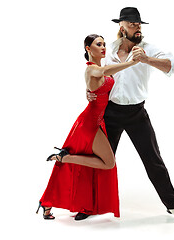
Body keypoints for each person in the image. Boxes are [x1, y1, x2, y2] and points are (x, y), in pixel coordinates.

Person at [87, 7, 174, 223]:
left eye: (139, 23)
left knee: (153, 160)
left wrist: (147, 59)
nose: (137, 27)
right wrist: (90, 91)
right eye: (132, 23)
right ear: (121, 27)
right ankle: (89, 205)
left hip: (136, 113)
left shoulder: (148, 49)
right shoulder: (109, 50)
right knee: (101, 159)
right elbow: (95, 74)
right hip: (110, 112)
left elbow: (173, 66)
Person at [36, 34, 139, 220]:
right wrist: (132, 62)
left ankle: (47, 202)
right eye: (98, 44)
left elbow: (102, 80)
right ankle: (66, 158)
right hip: (89, 124)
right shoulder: (92, 70)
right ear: (88, 49)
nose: (103, 47)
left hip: (96, 121)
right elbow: (104, 72)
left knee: (93, 168)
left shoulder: (98, 69)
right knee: (109, 163)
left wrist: (89, 91)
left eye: (104, 44)